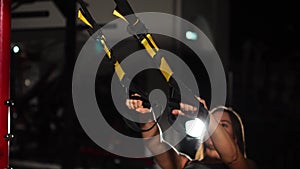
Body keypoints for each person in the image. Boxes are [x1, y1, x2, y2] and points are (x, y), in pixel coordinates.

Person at [126, 96, 256, 169]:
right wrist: (145, 117)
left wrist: (205, 115)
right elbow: (155, 145)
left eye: (223, 125)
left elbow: (233, 158)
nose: (214, 129)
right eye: (212, 124)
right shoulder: (185, 164)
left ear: (235, 138)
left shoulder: (245, 165)